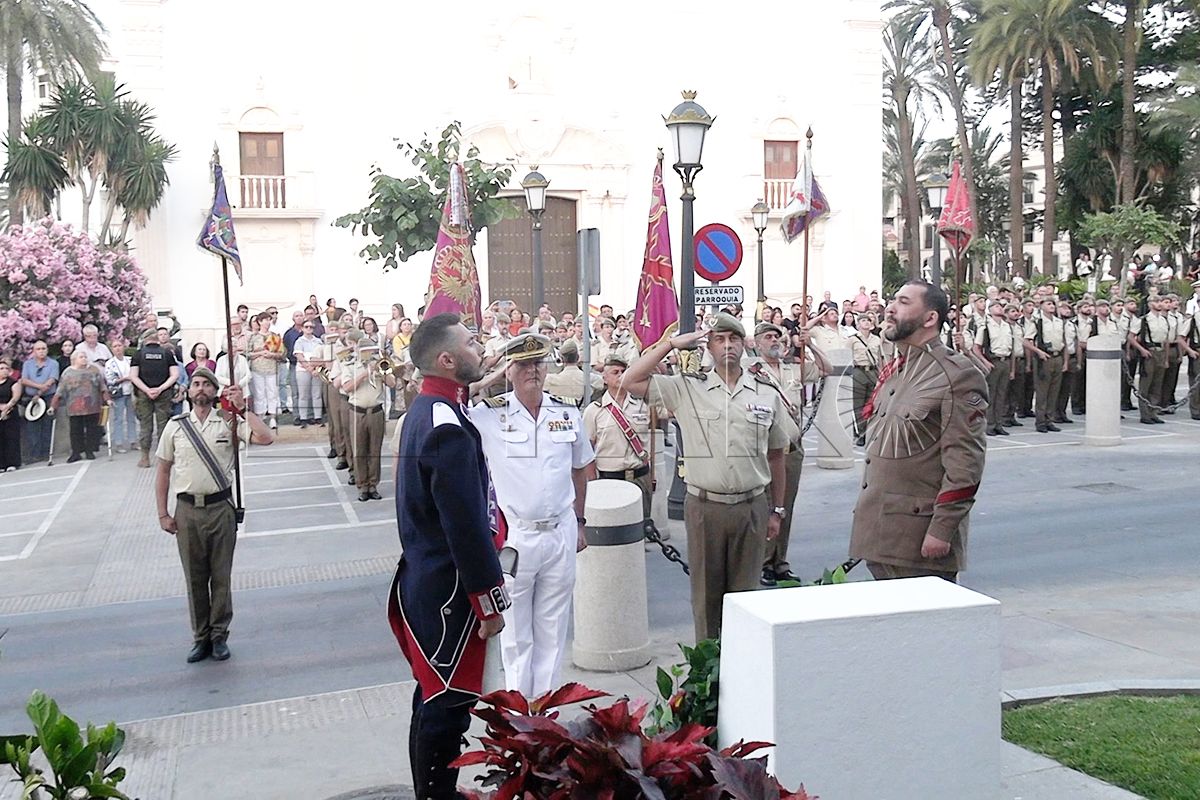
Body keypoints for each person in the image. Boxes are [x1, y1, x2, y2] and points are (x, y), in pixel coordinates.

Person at [388, 313, 509, 799]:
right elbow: (463, 524)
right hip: (449, 590)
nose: (478, 349)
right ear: (447, 359)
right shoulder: (445, 425)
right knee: (447, 705)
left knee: (432, 697)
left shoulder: (432, 409)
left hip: (429, 579)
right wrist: (488, 601)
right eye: (470, 343)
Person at [621, 313, 795, 642]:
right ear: (709, 347)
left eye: (733, 339)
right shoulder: (687, 388)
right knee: (706, 597)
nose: (727, 346)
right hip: (705, 508)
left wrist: (778, 510)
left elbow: (776, 456)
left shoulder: (765, 393)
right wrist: (670, 344)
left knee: (747, 599)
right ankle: (708, 675)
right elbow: (630, 380)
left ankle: (743, 664)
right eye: (719, 339)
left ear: (744, 345)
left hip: (751, 507)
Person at [472, 333, 595, 697]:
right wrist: (489, 376)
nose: (533, 371)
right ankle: (519, 715)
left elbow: (580, 468)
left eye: (539, 363)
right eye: (523, 364)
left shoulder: (567, 411)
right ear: (509, 370)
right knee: (515, 636)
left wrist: (582, 521)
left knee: (553, 630)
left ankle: (546, 714)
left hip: (560, 531)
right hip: (515, 539)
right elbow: (446, 401)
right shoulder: (488, 415)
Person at [849, 281, 988, 583]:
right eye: (891, 300)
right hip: (881, 535)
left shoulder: (957, 375)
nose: (889, 308)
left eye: (903, 302)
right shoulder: (896, 370)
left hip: (918, 540)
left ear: (930, 318)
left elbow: (965, 463)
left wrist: (942, 529)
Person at [156, 369, 273, 663]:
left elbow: (265, 437)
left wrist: (242, 407)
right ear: (188, 391)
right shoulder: (175, 426)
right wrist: (162, 514)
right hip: (186, 511)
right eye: (196, 384)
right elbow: (163, 471)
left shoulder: (228, 422)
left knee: (220, 577)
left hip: (221, 509)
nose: (200, 389)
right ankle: (200, 638)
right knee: (194, 578)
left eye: (206, 384)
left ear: (214, 391)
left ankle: (219, 636)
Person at [750, 321, 828, 587]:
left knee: (785, 507)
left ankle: (780, 561)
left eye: (777, 337)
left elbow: (826, 369)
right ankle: (763, 562)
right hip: (764, 449)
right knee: (766, 505)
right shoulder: (751, 372)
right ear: (757, 342)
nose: (775, 341)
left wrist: (810, 345)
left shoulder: (794, 368)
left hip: (791, 448)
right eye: (768, 337)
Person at [583, 355, 655, 519]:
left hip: (640, 476)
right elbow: (587, 449)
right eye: (615, 372)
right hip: (610, 479)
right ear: (605, 378)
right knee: (614, 530)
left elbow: (670, 412)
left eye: (624, 371)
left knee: (640, 528)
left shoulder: (643, 404)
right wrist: (593, 482)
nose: (621, 375)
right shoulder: (594, 410)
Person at [344, 343, 395, 501]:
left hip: (376, 411)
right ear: (358, 351)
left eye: (371, 351)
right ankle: (362, 485)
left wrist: (381, 371)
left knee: (375, 450)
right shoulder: (350, 365)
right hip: (357, 412)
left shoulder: (379, 364)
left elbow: (392, 383)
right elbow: (347, 387)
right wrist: (365, 374)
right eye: (365, 351)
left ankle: (373, 485)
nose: (368, 354)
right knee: (359, 451)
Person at [131, 330, 181, 467]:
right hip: (164, 393)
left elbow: (133, 376)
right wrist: (160, 388)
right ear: (157, 339)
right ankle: (165, 458)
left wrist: (147, 390)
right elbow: (175, 375)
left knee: (145, 425)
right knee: (163, 425)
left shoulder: (138, 354)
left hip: (143, 393)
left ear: (145, 339)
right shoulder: (166, 353)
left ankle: (145, 458)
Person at [51, 349, 111, 462]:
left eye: (85, 356)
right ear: (74, 359)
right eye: (81, 357)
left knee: (92, 428)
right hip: (74, 406)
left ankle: (90, 450)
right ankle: (76, 452)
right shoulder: (68, 372)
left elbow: (102, 386)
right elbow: (60, 390)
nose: (84, 359)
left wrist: (107, 399)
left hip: (92, 405)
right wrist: (53, 405)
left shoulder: (94, 370)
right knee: (75, 430)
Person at [1023, 297, 1067, 433]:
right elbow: (1026, 341)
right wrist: (1038, 352)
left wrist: (1065, 361)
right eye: (1048, 304)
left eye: (1053, 304)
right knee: (1042, 391)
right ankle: (1041, 421)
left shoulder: (1059, 322)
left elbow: (1064, 342)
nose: (1052, 306)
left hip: (1057, 356)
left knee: (1054, 391)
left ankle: (1049, 419)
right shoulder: (1037, 322)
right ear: (1041, 306)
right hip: (1044, 358)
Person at [973, 301, 1017, 437]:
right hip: (993, 361)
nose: (1000, 308)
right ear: (990, 310)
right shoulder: (985, 327)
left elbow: (1013, 349)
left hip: (1005, 361)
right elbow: (976, 348)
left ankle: (999, 424)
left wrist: (1012, 369)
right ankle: (990, 424)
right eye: (996, 306)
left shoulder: (1007, 326)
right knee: (991, 395)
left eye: (1001, 306)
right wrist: (984, 362)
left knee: (1001, 395)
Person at [20, 341, 59, 461]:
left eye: (44, 348)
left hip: (48, 397)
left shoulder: (53, 363)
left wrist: (40, 391)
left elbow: (52, 380)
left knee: (47, 425)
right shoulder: (27, 364)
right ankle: (34, 454)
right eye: (38, 349)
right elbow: (24, 380)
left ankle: (46, 453)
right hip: (32, 399)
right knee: (33, 427)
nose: (41, 351)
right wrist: (39, 387)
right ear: (34, 351)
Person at [104, 337, 137, 453]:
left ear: (123, 347)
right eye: (115, 346)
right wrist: (125, 378)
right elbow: (110, 379)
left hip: (131, 391)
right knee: (118, 418)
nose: (118, 348)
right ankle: (119, 443)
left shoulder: (129, 360)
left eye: (119, 345)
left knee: (131, 418)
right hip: (118, 392)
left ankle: (133, 441)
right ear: (112, 349)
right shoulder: (110, 363)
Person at [293, 320, 324, 426]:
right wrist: (310, 368)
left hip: (317, 370)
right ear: (302, 328)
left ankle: (318, 417)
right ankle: (303, 417)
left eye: (311, 327)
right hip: (303, 370)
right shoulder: (299, 341)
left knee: (317, 394)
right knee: (303, 395)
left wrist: (316, 368)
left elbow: (321, 356)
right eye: (306, 327)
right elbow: (299, 356)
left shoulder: (318, 341)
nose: (309, 329)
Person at [0, 358, 22, 471]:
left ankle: (12, 462)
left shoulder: (13, 382)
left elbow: (15, 397)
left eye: (6, 368)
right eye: (1, 368)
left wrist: (7, 407)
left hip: (11, 412)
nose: (4, 370)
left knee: (11, 438)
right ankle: (1, 464)